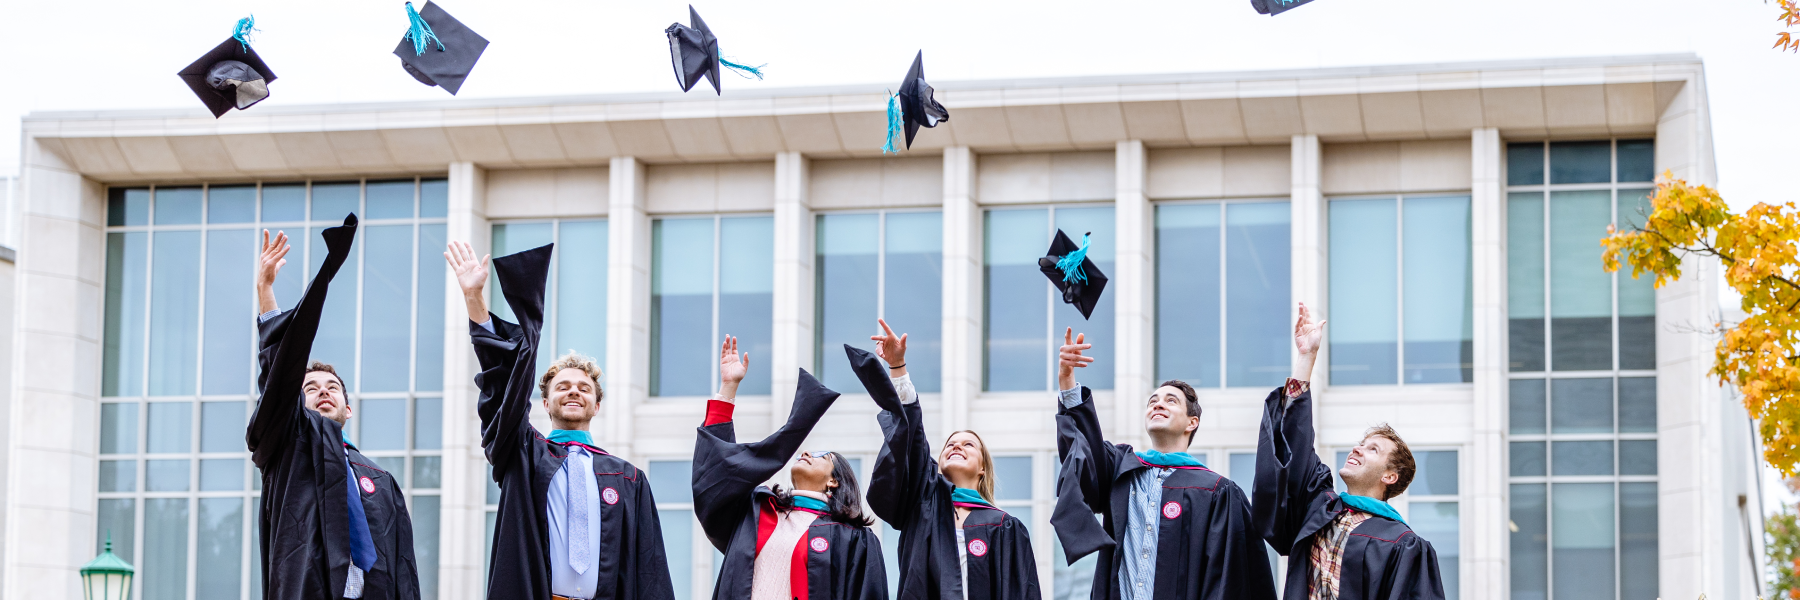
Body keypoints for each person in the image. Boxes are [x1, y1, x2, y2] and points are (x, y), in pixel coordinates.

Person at [449, 241, 676, 600]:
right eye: (563, 386)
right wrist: (474, 298)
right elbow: (501, 388)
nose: (573, 391)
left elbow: (650, 571)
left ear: (596, 406)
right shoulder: (523, 454)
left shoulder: (628, 478)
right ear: (544, 402)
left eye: (584, 388)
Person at [247, 218, 422, 600]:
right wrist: (266, 292)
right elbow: (279, 377)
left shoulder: (380, 480)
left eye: (332, 388)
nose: (323, 392)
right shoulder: (287, 452)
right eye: (310, 388)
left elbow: (404, 567)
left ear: (349, 409)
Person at [1050, 327, 1276, 600]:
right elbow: (1083, 452)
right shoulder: (1120, 469)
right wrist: (1067, 381)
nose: (1158, 405)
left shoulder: (1217, 492)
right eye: (1153, 401)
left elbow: (1232, 580)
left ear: (1192, 422)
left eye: (1171, 401)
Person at [1254, 303, 1445, 600]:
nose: (1358, 448)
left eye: (1373, 449)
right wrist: (1306, 357)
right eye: (1361, 443)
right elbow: (1293, 446)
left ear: (1389, 476)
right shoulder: (1317, 509)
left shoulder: (1404, 544)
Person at [854, 320, 1041, 600]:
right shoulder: (922, 506)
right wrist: (898, 368)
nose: (957, 446)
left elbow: (1021, 592)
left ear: (982, 468)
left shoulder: (1004, 526)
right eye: (950, 444)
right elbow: (912, 438)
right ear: (939, 463)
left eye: (968, 444)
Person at [692, 335, 888, 600]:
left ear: (834, 481)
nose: (805, 453)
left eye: (821, 455)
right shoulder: (756, 512)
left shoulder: (853, 539)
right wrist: (728, 389)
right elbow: (715, 477)